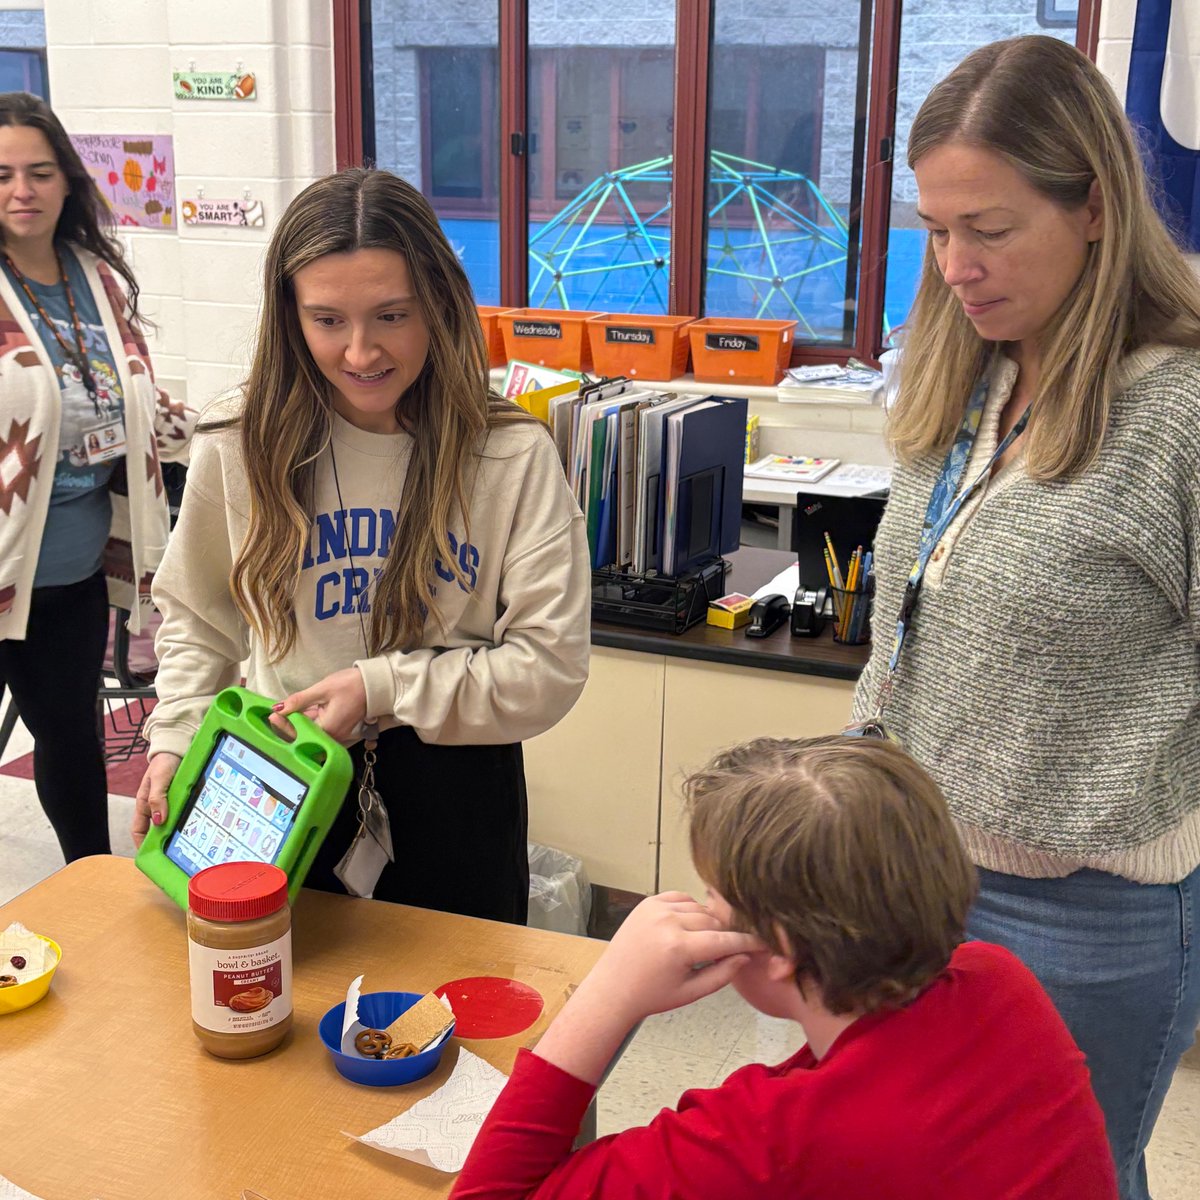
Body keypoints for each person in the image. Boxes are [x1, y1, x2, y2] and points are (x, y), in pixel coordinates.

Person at [847, 35, 1200, 1200]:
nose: (954, 265)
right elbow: (907, 619)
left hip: (1091, 912)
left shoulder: (1179, 414)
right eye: (936, 230)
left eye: (988, 230)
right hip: (915, 876)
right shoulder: (973, 373)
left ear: (1094, 205)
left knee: (1064, 1180)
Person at [132, 168, 590, 923]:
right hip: (272, 771)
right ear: (290, 318)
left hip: (454, 785)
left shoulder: (510, 453)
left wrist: (381, 689)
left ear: (439, 305)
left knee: (454, 1025)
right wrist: (175, 737)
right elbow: (198, 617)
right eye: (327, 320)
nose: (360, 352)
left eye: (391, 315)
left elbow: (549, 667)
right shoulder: (239, 442)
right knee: (272, 1004)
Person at [452, 736, 1117, 1199]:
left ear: (779, 950)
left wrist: (607, 994)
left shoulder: (773, 1141)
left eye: (714, 894)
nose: (701, 908)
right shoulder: (999, 982)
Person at [0, 92, 194, 862]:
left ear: (68, 183)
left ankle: (90, 887)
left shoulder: (94, 276)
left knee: (70, 736)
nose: (22, 190)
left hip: (72, 570)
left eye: (40, 172)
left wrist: (214, 426)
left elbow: (135, 399)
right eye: (4, 173)